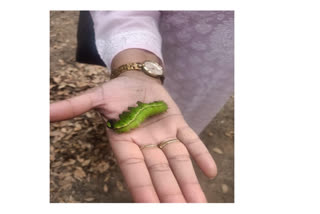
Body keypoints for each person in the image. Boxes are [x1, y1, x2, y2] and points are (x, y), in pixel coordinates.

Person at [50, 11, 234, 203]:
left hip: (218, 69)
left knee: (190, 110)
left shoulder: (143, 112)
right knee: (177, 110)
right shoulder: (136, 114)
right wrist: (137, 64)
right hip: (160, 45)